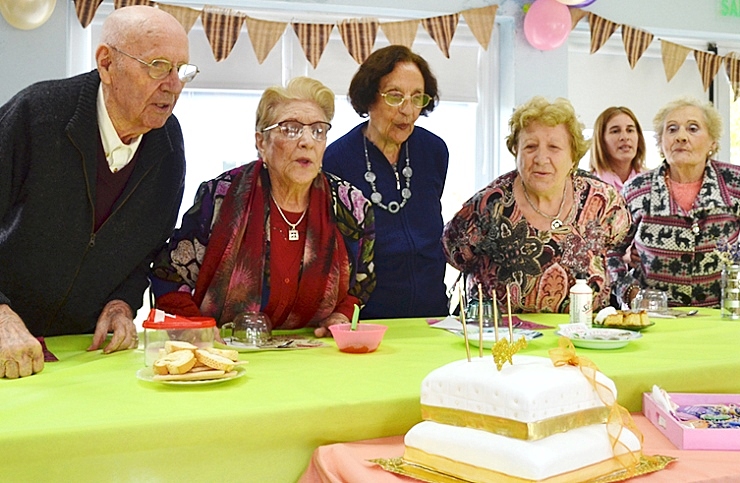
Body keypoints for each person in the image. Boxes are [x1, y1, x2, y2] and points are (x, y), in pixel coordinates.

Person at [0, 6, 195, 379]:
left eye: (182, 69)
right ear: (106, 64)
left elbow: (147, 250)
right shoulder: (36, 115)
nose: (173, 84)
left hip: (81, 353)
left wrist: (123, 302)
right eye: (157, 65)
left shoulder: (169, 144)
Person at [150, 77, 375, 338]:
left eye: (318, 130)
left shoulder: (352, 206)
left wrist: (341, 315)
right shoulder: (219, 197)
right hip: (227, 354)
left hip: (315, 358)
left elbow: (363, 282)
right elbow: (169, 276)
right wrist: (199, 332)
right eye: (290, 129)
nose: (307, 141)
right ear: (261, 143)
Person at [442, 97, 631, 313]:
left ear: (573, 155)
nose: (542, 158)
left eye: (554, 147)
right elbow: (453, 253)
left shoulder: (604, 200)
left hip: (585, 336)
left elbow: (619, 244)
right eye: (530, 146)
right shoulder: (489, 204)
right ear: (516, 151)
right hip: (502, 337)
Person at [608, 96, 740, 313]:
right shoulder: (637, 190)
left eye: (693, 128)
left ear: (712, 142)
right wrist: (631, 293)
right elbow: (610, 250)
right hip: (656, 321)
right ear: (661, 143)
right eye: (672, 129)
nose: (681, 137)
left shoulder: (737, 183)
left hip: (722, 319)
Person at [323, 45, 449, 319]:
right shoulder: (336, 160)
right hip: (367, 317)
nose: (407, 110)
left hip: (433, 315)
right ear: (370, 98)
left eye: (417, 98)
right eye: (395, 96)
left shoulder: (434, 151)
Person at [589, 106, 647, 192]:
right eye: (615, 131)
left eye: (630, 130)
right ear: (601, 140)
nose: (625, 137)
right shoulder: (589, 186)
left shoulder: (651, 182)